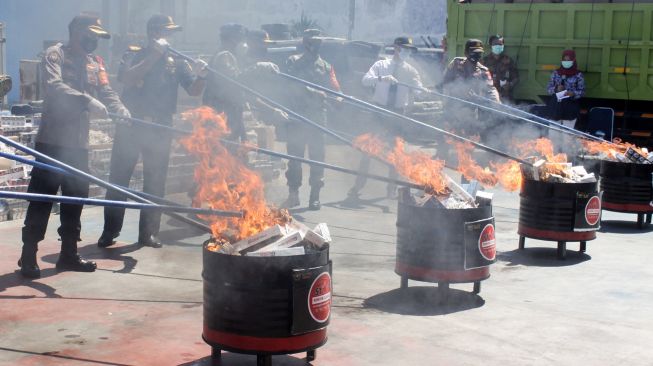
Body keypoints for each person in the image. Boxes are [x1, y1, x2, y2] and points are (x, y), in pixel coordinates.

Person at [18, 14, 129, 278]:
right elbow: (54, 86)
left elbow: (107, 91)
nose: (93, 41)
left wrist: (120, 108)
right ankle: (28, 254)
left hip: (79, 145)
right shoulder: (55, 54)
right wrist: (85, 101)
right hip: (52, 141)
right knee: (42, 199)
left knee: (76, 198)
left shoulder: (95, 63)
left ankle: (68, 253)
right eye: (90, 35)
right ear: (76, 32)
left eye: (97, 37)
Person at [97, 14, 207, 249]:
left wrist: (202, 75)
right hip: (132, 125)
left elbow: (194, 90)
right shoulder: (133, 54)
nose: (169, 37)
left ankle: (148, 233)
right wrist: (155, 54)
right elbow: (126, 78)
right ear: (154, 33)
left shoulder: (177, 61)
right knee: (119, 179)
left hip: (160, 128)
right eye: (165, 32)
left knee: (155, 182)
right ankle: (110, 231)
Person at [348, 36, 424, 199]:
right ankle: (357, 187)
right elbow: (365, 80)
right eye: (405, 49)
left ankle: (391, 189)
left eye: (409, 50)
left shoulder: (410, 70)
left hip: (398, 114)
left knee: (396, 152)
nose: (407, 53)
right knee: (368, 150)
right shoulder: (381, 65)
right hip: (379, 112)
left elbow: (418, 90)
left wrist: (422, 91)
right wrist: (381, 79)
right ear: (396, 48)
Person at [281, 29, 341, 210]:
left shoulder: (326, 66)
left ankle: (315, 196)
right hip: (297, 116)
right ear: (306, 43)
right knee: (295, 157)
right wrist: (315, 92)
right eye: (313, 43)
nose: (316, 46)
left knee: (317, 157)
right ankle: (293, 194)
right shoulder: (293, 61)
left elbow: (335, 87)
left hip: (317, 118)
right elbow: (291, 84)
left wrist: (339, 98)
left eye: (318, 43)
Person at [440, 38, 500, 141]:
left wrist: (495, 102)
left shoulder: (483, 71)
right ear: (466, 53)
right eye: (473, 53)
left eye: (479, 53)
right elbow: (445, 83)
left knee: (467, 143)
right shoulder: (456, 64)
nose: (476, 55)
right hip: (452, 110)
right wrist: (457, 91)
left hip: (470, 114)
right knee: (445, 140)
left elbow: (490, 89)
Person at [546, 49, 585, 128]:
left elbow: (582, 91)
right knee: (554, 132)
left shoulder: (578, 75)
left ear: (573, 60)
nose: (566, 61)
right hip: (556, 106)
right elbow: (548, 88)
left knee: (567, 135)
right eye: (564, 59)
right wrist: (556, 88)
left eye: (569, 60)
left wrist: (573, 93)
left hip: (570, 106)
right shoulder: (556, 73)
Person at [481, 34, 519, 103]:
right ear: (491, 45)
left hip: (506, 98)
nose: (498, 46)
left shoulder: (508, 60)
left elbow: (516, 78)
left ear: (503, 45)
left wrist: (510, 85)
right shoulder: (484, 61)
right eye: (495, 44)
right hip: (489, 98)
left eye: (500, 44)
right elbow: (479, 79)